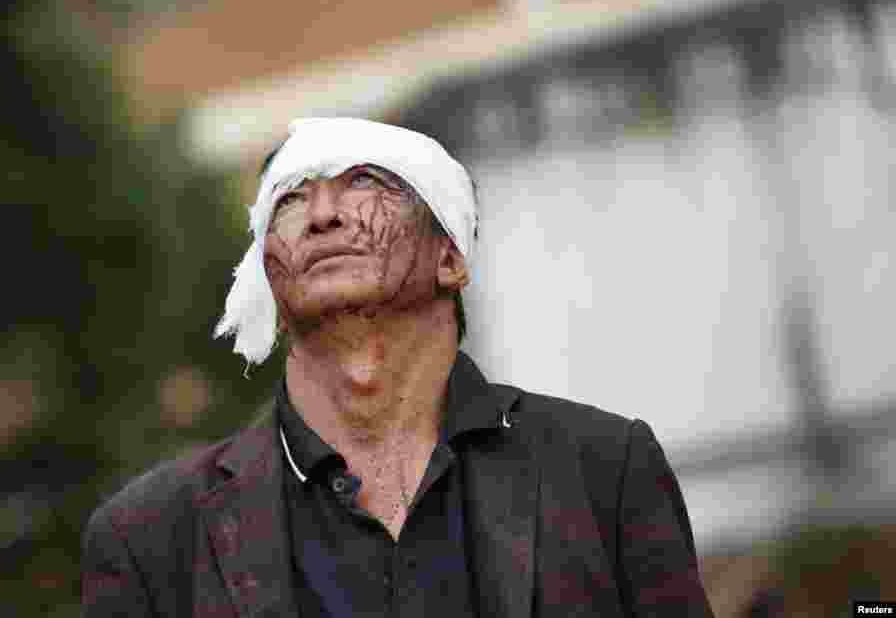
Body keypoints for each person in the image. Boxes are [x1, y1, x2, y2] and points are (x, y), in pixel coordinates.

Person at [81, 118, 715, 617]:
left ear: (450, 255)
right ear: (269, 276)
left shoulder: (603, 470)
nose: (322, 214)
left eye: (364, 182)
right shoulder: (152, 537)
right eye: (290, 200)